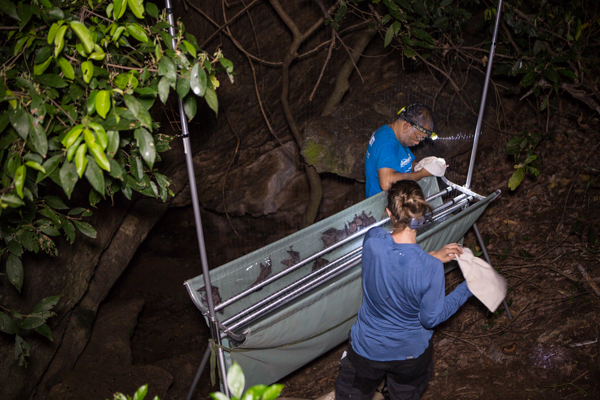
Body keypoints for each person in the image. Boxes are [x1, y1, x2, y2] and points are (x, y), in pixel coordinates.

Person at [335, 180, 473, 400]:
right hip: (411, 356)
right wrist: (467, 288)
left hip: (367, 351)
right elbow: (430, 319)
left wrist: (433, 257)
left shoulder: (373, 241)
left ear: (389, 213)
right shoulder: (430, 268)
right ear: (421, 215)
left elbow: (396, 261)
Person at [364, 103, 437, 198]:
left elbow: (407, 160)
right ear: (406, 126)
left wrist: (418, 165)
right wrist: (421, 174)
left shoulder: (399, 137)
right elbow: (387, 182)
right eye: (418, 137)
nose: (417, 142)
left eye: (422, 139)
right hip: (382, 206)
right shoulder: (387, 143)